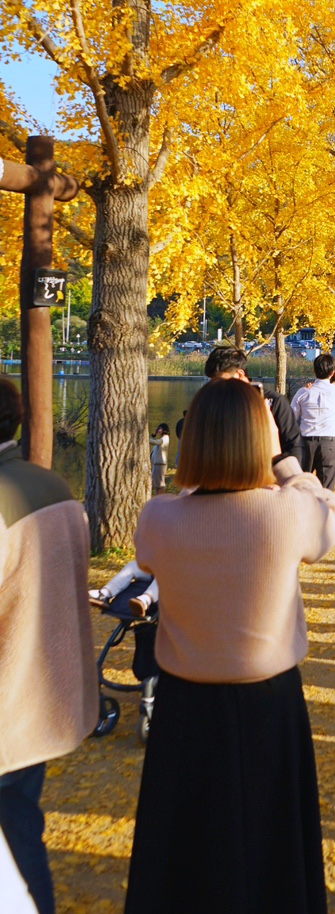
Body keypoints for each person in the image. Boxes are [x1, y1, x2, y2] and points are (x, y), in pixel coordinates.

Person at [124, 377, 335, 914]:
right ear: (260, 440)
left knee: (185, 852)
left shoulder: (159, 518)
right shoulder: (286, 515)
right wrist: (284, 464)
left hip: (185, 704)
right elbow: (330, 515)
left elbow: (161, 546)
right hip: (269, 701)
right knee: (273, 848)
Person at [0, 378, 100, 914]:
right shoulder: (54, 487)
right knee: (20, 826)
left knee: (12, 841)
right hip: (44, 691)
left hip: (7, 701)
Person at [205, 345, 304, 461]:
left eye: (220, 381)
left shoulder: (274, 402)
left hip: (269, 473)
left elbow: (294, 445)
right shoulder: (214, 403)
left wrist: (285, 474)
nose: (216, 387)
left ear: (240, 374)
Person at [290, 353, 335, 490]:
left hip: (306, 443)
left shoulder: (303, 392)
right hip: (329, 443)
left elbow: (292, 417)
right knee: (326, 491)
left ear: (314, 371)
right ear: (332, 373)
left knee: (301, 487)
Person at [150, 422, 170, 496]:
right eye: (158, 428)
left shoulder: (165, 438)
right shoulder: (162, 438)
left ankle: (161, 498)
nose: (158, 430)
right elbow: (154, 442)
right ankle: (157, 497)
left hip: (160, 463)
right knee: (155, 483)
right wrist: (154, 435)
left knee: (160, 484)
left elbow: (155, 442)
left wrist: (145, 438)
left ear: (164, 429)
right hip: (157, 463)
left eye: (160, 428)